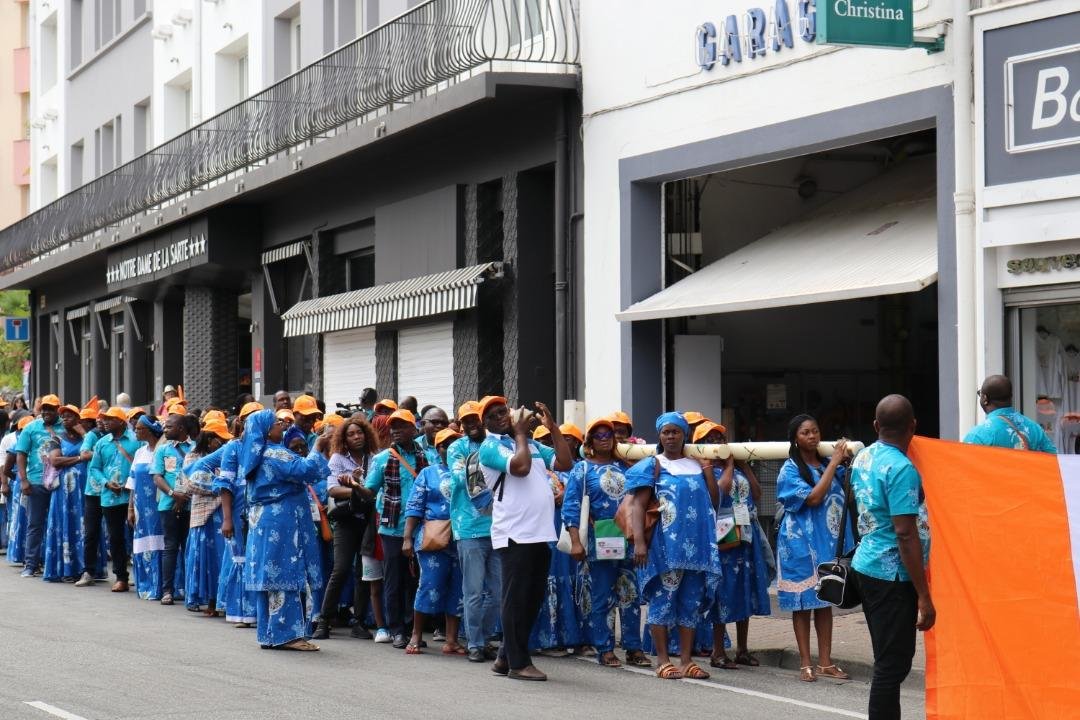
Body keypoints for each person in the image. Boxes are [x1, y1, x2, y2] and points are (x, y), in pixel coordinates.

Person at [478, 396, 573, 682]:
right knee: (515, 600)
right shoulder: (490, 446)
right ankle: (519, 663)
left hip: (540, 532)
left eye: (504, 411)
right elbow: (519, 468)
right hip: (514, 533)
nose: (502, 417)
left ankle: (505, 657)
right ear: (486, 424)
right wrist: (520, 432)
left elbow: (565, 462)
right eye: (494, 415)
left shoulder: (531, 444)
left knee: (531, 599)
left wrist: (552, 427)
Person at [851, 395, 933, 720]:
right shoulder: (901, 468)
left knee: (889, 659)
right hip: (892, 576)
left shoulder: (863, 457)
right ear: (913, 426)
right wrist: (924, 596)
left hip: (867, 565)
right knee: (892, 664)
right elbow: (905, 533)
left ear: (875, 426)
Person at [627, 412, 721, 681]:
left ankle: (687, 660)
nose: (671, 436)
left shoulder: (696, 464)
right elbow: (638, 505)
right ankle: (663, 659)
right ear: (659, 435)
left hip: (698, 548)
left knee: (690, 604)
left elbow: (714, 500)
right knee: (663, 601)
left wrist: (706, 467)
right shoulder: (653, 465)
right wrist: (640, 543)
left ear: (685, 435)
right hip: (665, 547)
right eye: (666, 432)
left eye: (676, 432)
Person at [237, 409, 330, 650]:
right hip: (282, 522)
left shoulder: (253, 455)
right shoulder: (274, 453)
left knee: (270, 576)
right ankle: (288, 635)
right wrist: (319, 446)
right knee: (285, 573)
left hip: (263, 523)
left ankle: (270, 634)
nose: (282, 426)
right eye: (278, 423)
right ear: (268, 430)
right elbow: (306, 470)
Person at [563, 417, 650, 668]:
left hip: (628, 538)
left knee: (631, 595)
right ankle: (604, 648)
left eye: (608, 435)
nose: (604, 439)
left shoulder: (626, 466)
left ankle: (634, 648)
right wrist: (576, 542)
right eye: (598, 436)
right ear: (590, 441)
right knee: (601, 596)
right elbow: (571, 506)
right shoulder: (583, 469)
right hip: (598, 538)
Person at [776, 414, 853, 682]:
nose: (812, 436)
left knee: (824, 600)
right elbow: (813, 497)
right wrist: (833, 462)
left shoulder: (825, 465)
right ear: (795, 439)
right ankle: (805, 663)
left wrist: (843, 464)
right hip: (798, 544)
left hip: (825, 543)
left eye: (815, 431)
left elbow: (847, 492)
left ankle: (826, 662)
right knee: (802, 603)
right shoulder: (790, 470)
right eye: (805, 432)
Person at [693, 421, 772, 670]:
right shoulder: (705, 470)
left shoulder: (737, 469)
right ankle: (718, 651)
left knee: (745, 590)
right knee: (722, 592)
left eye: (720, 438)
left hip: (746, 536)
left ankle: (743, 649)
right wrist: (727, 465)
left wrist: (743, 465)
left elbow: (757, 493)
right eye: (710, 439)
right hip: (723, 538)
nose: (717, 443)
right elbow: (721, 491)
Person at [356, 408, 427, 648]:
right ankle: (396, 629)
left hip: (421, 528)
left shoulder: (425, 456)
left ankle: (411, 627)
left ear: (413, 429)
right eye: (393, 426)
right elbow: (369, 491)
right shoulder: (383, 458)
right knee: (394, 580)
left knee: (414, 580)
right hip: (392, 528)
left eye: (401, 426)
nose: (396, 430)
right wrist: (356, 487)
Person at [313, 414, 381, 640]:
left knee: (364, 572)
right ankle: (324, 620)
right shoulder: (337, 459)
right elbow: (332, 490)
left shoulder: (375, 458)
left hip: (369, 520)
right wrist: (358, 488)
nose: (356, 437)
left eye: (359, 432)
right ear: (344, 438)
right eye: (350, 434)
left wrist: (360, 488)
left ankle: (359, 621)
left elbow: (380, 488)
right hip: (346, 519)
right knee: (341, 569)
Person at [446, 400, 502, 664]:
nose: (471, 424)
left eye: (475, 419)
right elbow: (458, 478)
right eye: (466, 421)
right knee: (473, 591)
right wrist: (488, 465)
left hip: (499, 527)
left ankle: (487, 637)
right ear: (460, 425)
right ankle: (475, 644)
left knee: (499, 591)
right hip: (468, 528)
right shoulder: (457, 447)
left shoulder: (497, 443)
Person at [401, 427, 466, 655]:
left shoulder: (469, 470)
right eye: (444, 444)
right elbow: (414, 506)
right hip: (433, 538)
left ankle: (451, 640)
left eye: (454, 443)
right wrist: (407, 538)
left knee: (458, 588)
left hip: (461, 538)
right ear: (437, 448)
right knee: (430, 585)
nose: (449, 448)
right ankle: (416, 635)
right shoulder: (428, 473)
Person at [529, 424, 587, 658]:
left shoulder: (580, 469)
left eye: (564, 439)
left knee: (573, 582)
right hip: (545, 530)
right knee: (546, 582)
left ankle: (574, 637)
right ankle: (547, 638)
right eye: (542, 440)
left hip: (570, 531)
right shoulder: (537, 470)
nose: (550, 444)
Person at [206, 400, 263, 627]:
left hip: (262, 510)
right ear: (242, 422)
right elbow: (225, 484)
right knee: (241, 558)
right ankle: (242, 613)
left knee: (259, 558)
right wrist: (227, 518)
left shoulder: (268, 446)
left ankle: (261, 611)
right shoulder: (233, 447)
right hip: (239, 510)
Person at [181, 418, 233, 615]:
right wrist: (222, 488)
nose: (223, 443)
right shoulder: (192, 457)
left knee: (222, 556)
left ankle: (222, 599)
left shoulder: (227, 456)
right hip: (203, 515)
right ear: (210, 439)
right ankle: (209, 601)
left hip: (223, 512)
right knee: (206, 558)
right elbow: (192, 485)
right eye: (220, 439)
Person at [88, 407, 140, 592]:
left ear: (120, 421)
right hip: (110, 497)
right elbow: (94, 468)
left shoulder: (136, 440)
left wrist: (131, 482)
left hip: (132, 496)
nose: (105, 422)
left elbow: (142, 464)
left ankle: (142, 576)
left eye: (110, 419)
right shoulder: (102, 443)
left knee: (136, 535)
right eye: (104, 419)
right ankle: (121, 577)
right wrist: (106, 483)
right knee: (115, 537)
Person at [15, 394, 62, 578]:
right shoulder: (31, 427)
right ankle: (31, 564)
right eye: (43, 408)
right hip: (36, 482)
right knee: (35, 524)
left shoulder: (65, 426)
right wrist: (24, 480)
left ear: (58, 409)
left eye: (50, 408)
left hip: (61, 484)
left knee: (59, 523)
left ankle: (56, 564)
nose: (46, 411)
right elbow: (21, 454)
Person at [152, 412, 195, 605]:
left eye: (169, 427)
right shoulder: (163, 450)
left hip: (192, 504)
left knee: (189, 547)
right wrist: (173, 494)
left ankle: (191, 590)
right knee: (170, 546)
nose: (165, 429)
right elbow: (157, 477)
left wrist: (185, 495)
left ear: (181, 428)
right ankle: (167, 590)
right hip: (168, 504)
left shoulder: (195, 447)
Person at [42, 405, 87, 582]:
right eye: (63, 417)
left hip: (84, 489)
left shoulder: (86, 437)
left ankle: (86, 568)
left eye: (70, 416)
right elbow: (55, 460)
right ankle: (66, 568)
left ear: (78, 419)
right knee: (66, 523)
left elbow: (94, 451)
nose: (66, 419)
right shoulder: (56, 438)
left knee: (84, 525)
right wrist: (78, 458)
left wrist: (83, 432)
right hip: (65, 492)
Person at [125, 415, 166, 600]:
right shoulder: (141, 452)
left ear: (149, 430)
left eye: (139, 428)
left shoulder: (163, 450)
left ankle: (163, 585)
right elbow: (132, 482)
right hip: (141, 507)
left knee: (161, 542)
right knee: (143, 543)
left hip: (159, 506)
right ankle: (147, 584)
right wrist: (130, 508)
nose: (136, 431)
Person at [964, 375, 1056, 452]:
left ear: (985, 398)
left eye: (980, 393)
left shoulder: (978, 435)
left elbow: (963, 470)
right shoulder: (1035, 429)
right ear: (1011, 397)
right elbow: (1054, 461)